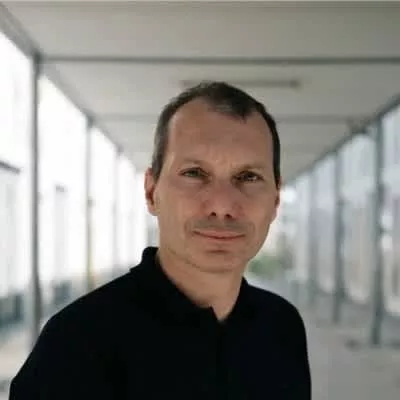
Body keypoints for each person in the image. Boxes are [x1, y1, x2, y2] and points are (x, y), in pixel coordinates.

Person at [10, 81, 311, 399]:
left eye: (249, 177)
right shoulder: (75, 348)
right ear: (152, 192)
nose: (222, 205)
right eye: (195, 173)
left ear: (275, 200)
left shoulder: (282, 326)